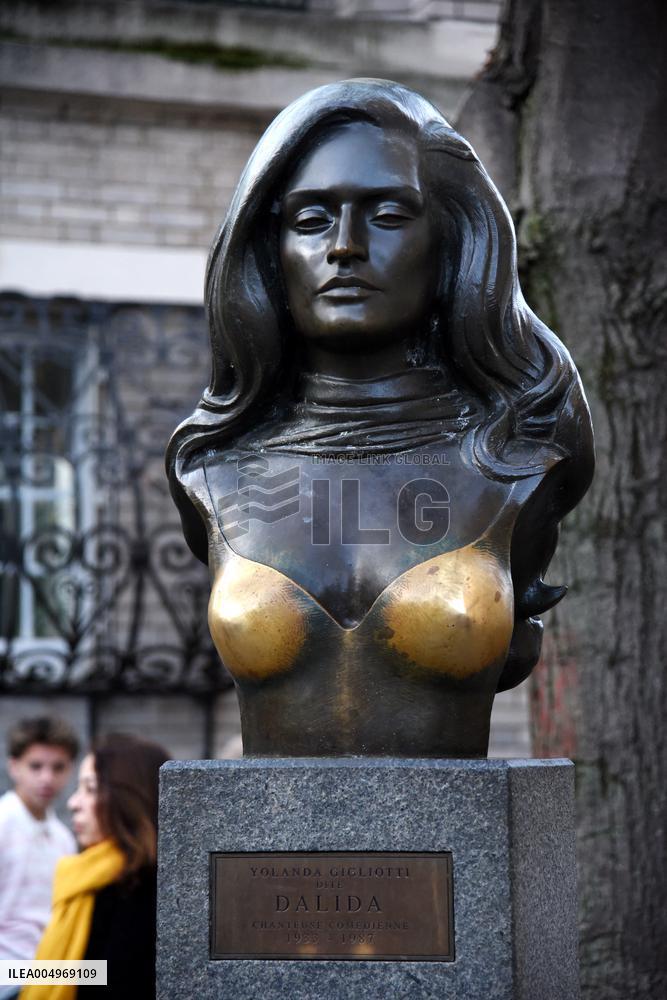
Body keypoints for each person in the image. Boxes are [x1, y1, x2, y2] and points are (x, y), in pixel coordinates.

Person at [166, 79, 594, 758]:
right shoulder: (213, 472)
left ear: (452, 239)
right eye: (309, 220)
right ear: (268, 253)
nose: (344, 247)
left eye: (388, 214)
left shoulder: (512, 464)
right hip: (268, 853)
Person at [21, 733, 169, 1000]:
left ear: (127, 800)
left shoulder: (144, 889)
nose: (73, 803)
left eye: (90, 789)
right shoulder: (90, 876)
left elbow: (112, 978)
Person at [0, 716, 78, 997]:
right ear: (14, 767)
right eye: (35, 766)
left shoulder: (64, 837)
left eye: (58, 767)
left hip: (48, 974)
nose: (47, 777)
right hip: (7, 977)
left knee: (109, 972)